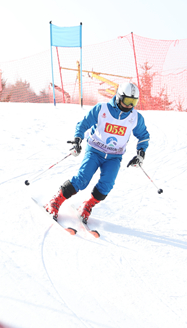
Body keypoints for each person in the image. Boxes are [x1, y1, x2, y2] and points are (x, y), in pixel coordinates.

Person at [45, 81, 150, 223]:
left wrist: (140, 154)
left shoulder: (135, 117)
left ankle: (87, 205)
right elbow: (83, 124)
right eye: (127, 101)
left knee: (107, 184)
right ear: (119, 97)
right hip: (95, 150)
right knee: (83, 179)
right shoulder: (102, 109)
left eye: (134, 102)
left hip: (114, 157)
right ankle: (56, 201)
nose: (130, 106)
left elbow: (143, 136)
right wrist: (77, 140)